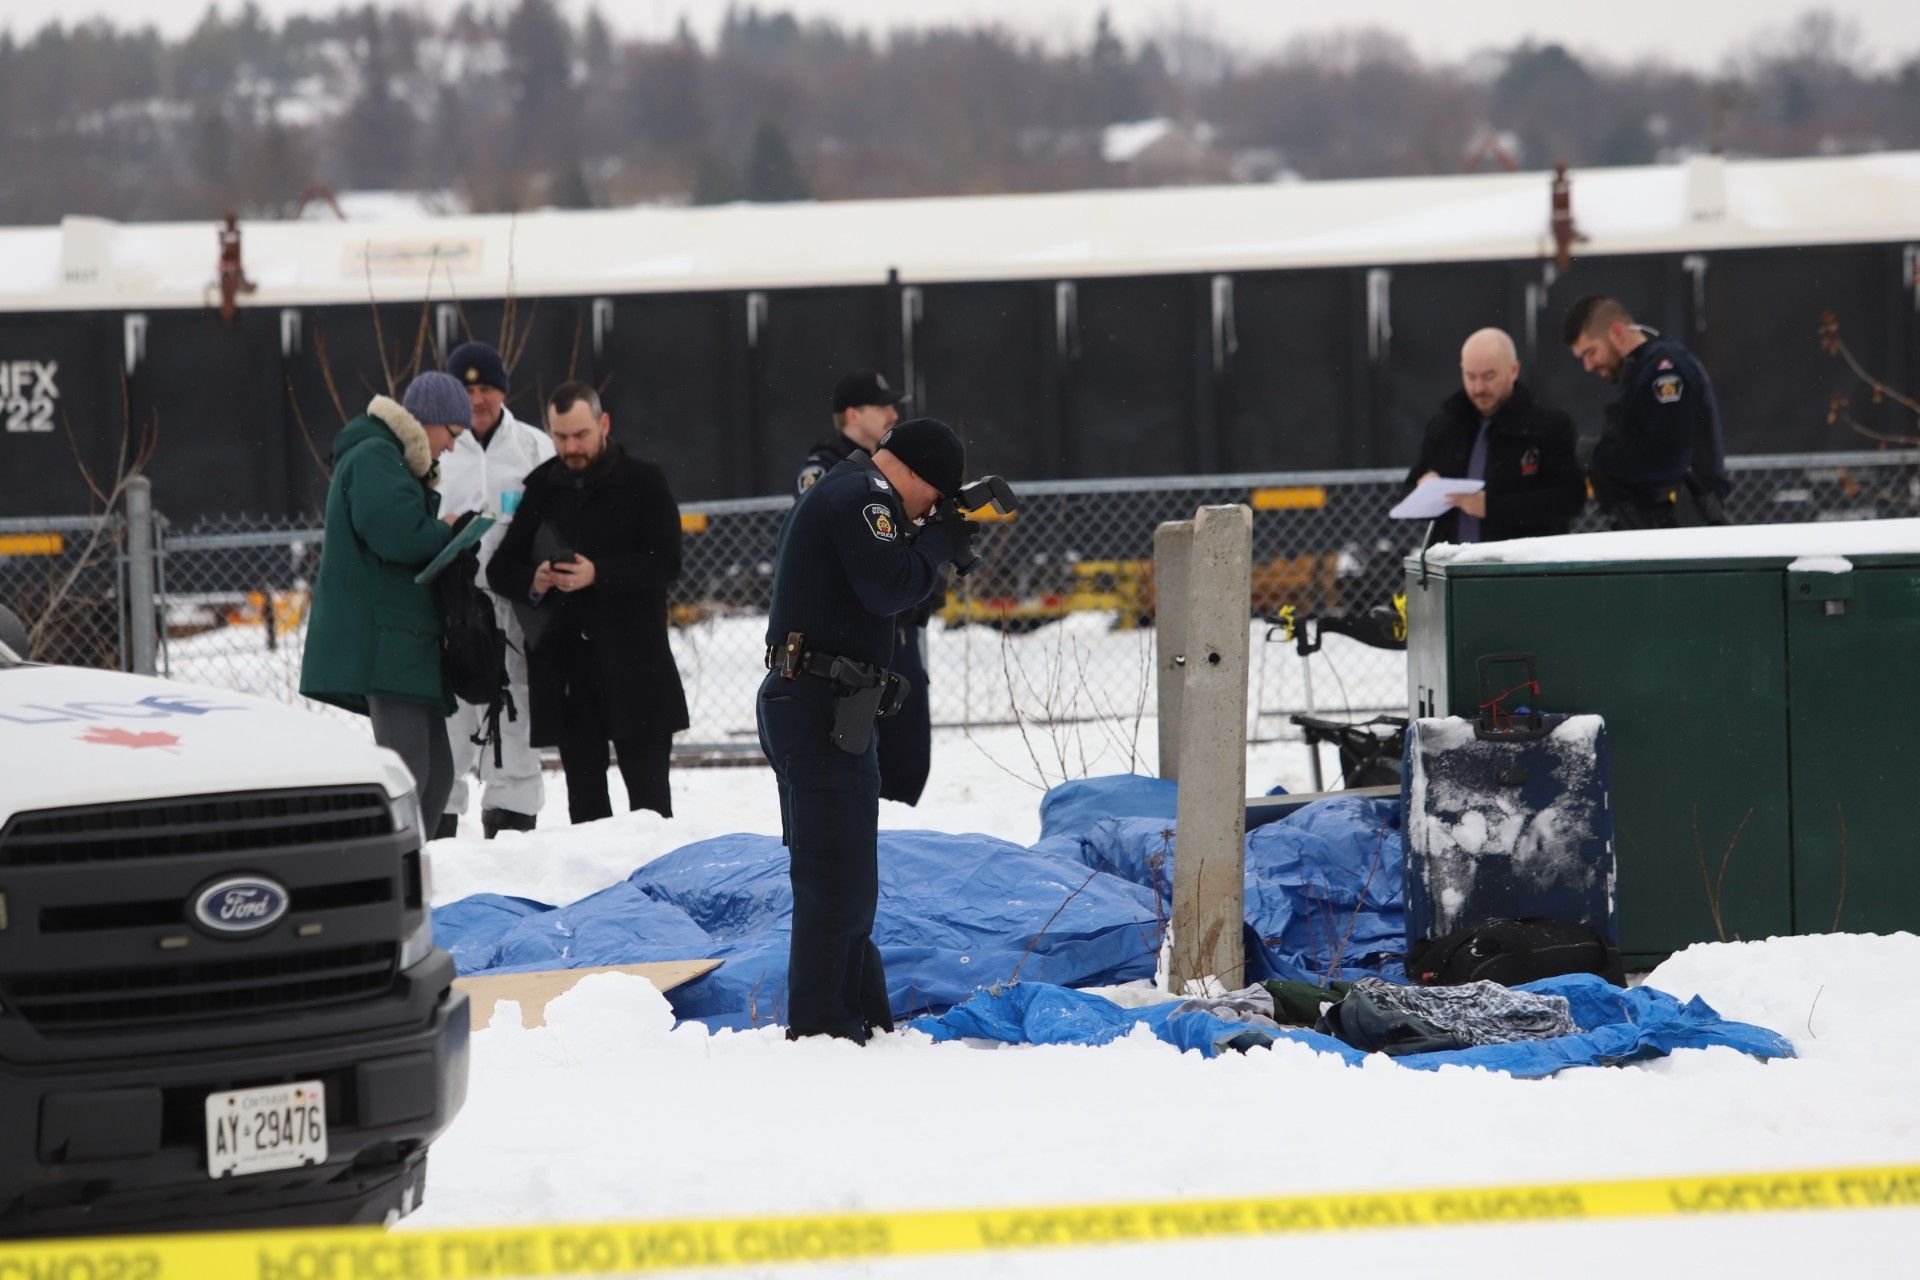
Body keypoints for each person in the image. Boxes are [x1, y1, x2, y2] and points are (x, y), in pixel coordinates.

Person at [759, 417, 975, 1043]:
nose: (930, 510)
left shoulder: (855, 492)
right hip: (818, 707)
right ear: (916, 473)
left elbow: (884, 589)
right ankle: (826, 1032)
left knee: (846, 878)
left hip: (828, 705)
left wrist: (926, 540)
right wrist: (937, 543)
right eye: (934, 497)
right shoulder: (862, 497)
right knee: (833, 879)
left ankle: (857, 1016)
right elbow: (889, 587)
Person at [486, 381, 689, 824]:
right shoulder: (543, 486)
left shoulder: (643, 482)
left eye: (580, 435)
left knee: (651, 810)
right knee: (587, 813)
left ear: (604, 424)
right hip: (569, 673)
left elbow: (667, 561)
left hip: (636, 667)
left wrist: (599, 574)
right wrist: (535, 579)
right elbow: (501, 568)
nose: (571, 447)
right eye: (560, 437)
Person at [300, 374, 468, 833]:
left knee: (436, 776)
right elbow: (399, 535)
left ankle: (418, 864)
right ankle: (395, 866)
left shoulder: (386, 458)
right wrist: (449, 531)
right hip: (388, 643)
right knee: (409, 777)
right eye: (452, 433)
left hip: (404, 641)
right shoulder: (375, 455)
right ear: (428, 421)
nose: (452, 447)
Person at [434, 340, 556, 840]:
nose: (476, 399)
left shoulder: (534, 448)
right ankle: (441, 820)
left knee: (516, 714)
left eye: (485, 388)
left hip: (515, 611)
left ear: (503, 391)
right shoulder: (436, 450)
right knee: (450, 718)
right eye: (466, 390)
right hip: (453, 612)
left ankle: (512, 819)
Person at [798, 370, 936, 806]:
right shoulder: (828, 472)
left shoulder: (897, 469)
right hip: (855, 644)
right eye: (883, 407)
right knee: (860, 762)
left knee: (909, 759)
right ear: (854, 414)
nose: (894, 414)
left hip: (901, 631)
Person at [1563, 294, 1731, 529]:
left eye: (1591, 352)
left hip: (1682, 529)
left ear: (1617, 333)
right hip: (1655, 527)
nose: (1588, 366)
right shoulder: (1640, 372)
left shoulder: (1664, 369)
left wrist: (1596, 454)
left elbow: (1666, 459)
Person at [1404, 327, 1585, 545]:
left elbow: (1569, 499)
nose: (1478, 388)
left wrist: (1490, 506)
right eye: (1470, 376)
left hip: (1521, 562)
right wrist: (1425, 489)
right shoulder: (1445, 427)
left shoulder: (1548, 427)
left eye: (1489, 376)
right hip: (1452, 559)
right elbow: (1408, 493)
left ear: (1513, 371)